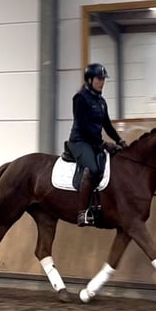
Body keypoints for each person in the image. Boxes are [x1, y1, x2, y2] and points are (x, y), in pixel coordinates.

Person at [68, 63, 127, 227]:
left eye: (103, 79)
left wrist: (120, 141)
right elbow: (83, 125)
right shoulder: (80, 98)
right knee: (93, 169)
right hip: (80, 141)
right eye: (99, 79)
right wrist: (102, 144)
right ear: (89, 80)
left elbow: (107, 125)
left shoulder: (101, 101)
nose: (102, 82)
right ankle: (82, 213)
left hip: (94, 143)